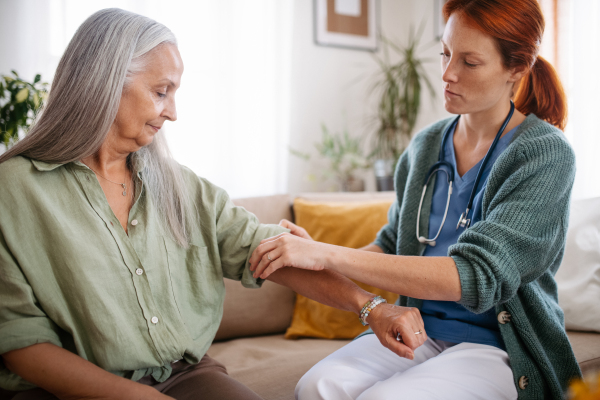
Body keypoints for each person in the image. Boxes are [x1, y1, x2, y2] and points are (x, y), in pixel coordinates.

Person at [0, 8, 427, 400]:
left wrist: (371, 307)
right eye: (161, 91)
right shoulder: (14, 190)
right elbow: (20, 342)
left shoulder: (180, 186)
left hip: (185, 376)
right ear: (106, 81)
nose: (172, 113)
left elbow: (271, 252)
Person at [249, 0, 582, 398]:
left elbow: (476, 276)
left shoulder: (544, 154)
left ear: (517, 68)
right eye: (444, 53)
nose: (447, 74)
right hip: (419, 331)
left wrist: (329, 254)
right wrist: (313, 252)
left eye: (469, 62)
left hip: (497, 346)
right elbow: (391, 245)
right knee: (317, 386)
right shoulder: (426, 146)